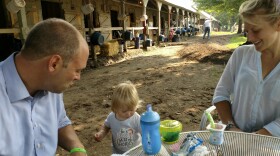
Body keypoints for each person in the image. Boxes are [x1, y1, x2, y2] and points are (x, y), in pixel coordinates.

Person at [0, 18, 89, 155]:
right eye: (77, 70)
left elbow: (60, 122)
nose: (78, 77)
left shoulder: (50, 84)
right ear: (54, 64)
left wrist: (77, 147)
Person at [213, 0, 280, 137]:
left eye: (255, 30)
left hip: (270, 146)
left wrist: (254, 138)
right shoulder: (241, 54)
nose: (250, 38)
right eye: (247, 31)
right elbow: (221, 94)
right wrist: (231, 127)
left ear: (278, 24)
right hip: (234, 139)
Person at [94, 81, 142, 154]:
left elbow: (145, 133)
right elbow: (106, 126)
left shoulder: (136, 118)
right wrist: (102, 133)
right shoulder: (111, 117)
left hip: (135, 151)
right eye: (124, 111)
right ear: (115, 108)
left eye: (132, 109)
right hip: (118, 151)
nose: (129, 114)